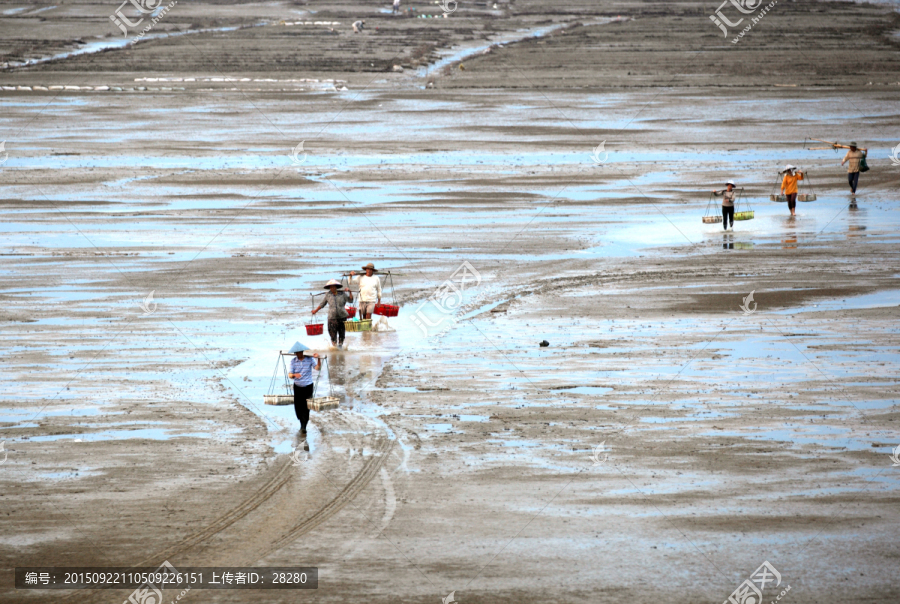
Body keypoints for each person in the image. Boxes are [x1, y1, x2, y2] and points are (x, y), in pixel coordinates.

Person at [286, 341, 321, 435]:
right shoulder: (293, 361)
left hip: (308, 386)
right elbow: (289, 374)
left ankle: (303, 425)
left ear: (302, 352)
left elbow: (317, 368)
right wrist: (294, 375)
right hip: (297, 387)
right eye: (297, 353)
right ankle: (301, 422)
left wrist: (319, 359)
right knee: (298, 406)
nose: (299, 354)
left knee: (306, 407)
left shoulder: (309, 359)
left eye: (300, 352)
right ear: (295, 353)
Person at [312, 279, 353, 349]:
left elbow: (350, 300)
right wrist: (315, 311)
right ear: (329, 288)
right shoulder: (328, 295)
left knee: (341, 334)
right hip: (332, 317)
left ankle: (340, 346)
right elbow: (322, 304)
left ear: (336, 287)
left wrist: (350, 292)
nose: (332, 288)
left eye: (334, 287)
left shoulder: (342, 294)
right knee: (332, 334)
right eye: (331, 287)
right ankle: (334, 347)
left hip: (342, 316)